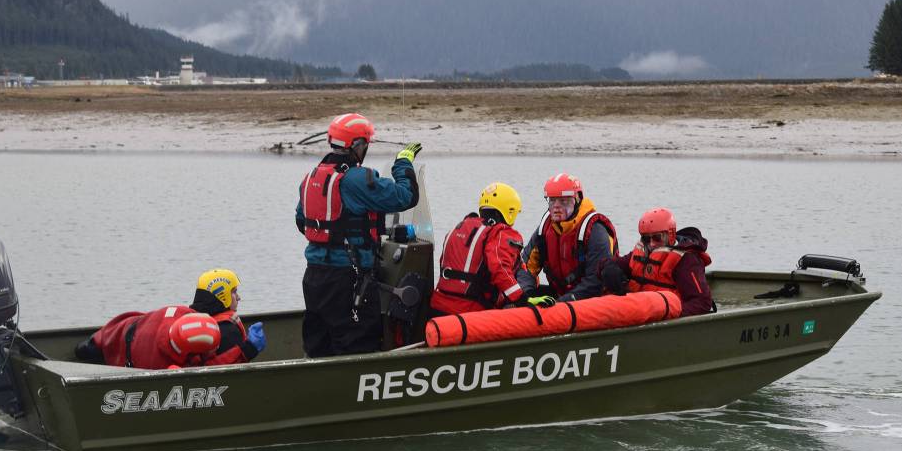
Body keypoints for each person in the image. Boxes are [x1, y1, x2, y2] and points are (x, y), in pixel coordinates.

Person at [296, 112, 421, 357]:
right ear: (357, 146)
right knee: (357, 343)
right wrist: (403, 163)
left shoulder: (312, 178)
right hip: (349, 281)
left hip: (314, 278)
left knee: (318, 344)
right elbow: (406, 197)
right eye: (365, 144)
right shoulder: (357, 180)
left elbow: (302, 221)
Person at [74, 268, 267, 368]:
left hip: (127, 333)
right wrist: (247, 349)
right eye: (234, 292)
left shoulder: (177, 314)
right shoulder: (218, 330)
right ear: (222, 294)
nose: (239, 297)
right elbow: (204, 373)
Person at [430, 182, 550, 315]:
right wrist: (522, 299)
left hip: (439, 306)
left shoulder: (458, 228)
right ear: (509, 211)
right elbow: (499, 268)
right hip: (470, 310)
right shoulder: (501, 234)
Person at [516, 172, 619, 302]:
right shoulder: (545, 229)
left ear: (577, 200)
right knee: (515, 295)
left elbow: (595, 281)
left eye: (563, 201)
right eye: (552, 201)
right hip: (562, 294)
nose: (556, 207)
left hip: (594, 298)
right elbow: (526, 268)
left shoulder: (595, 230)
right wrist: (527, 295)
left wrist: (563, 302)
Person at [601, 207, 715, 316]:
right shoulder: (643, 251)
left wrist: (670, 315)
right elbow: (616, 263)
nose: (651, 244)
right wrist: (608, 267)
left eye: (657, 238)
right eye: (646, 239)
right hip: (637, 312)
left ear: (670, 235)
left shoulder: (686, 260)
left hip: (664, 317)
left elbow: (702, 302)